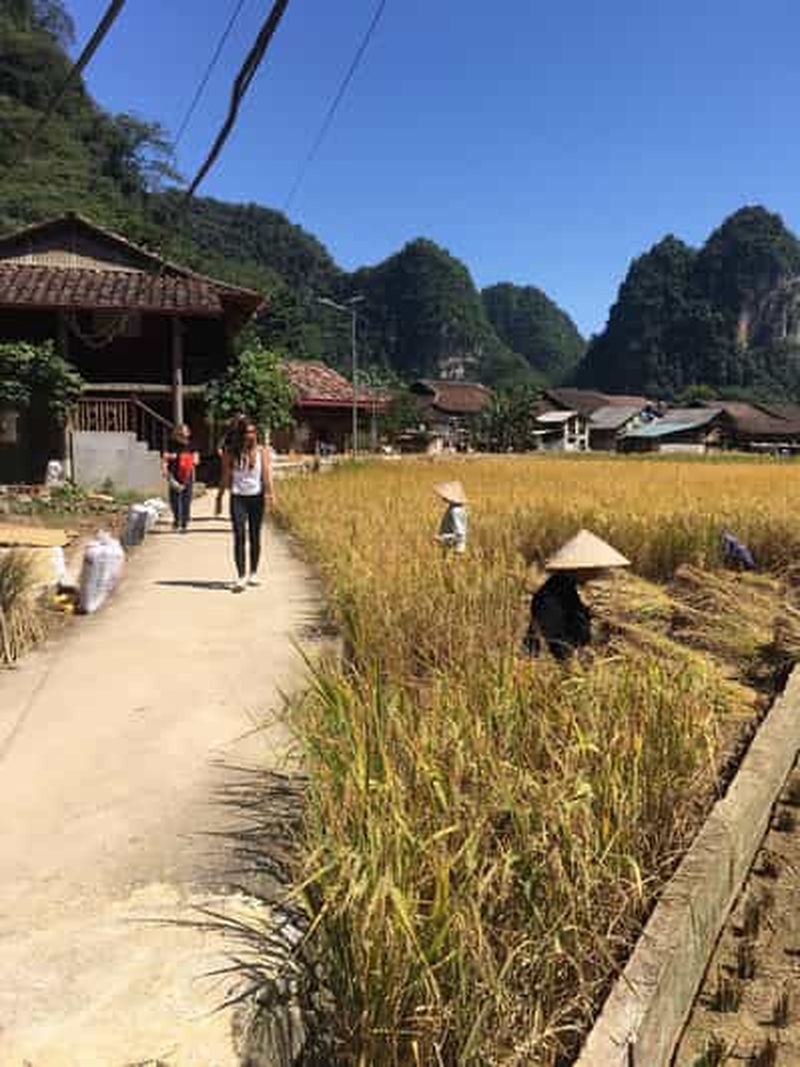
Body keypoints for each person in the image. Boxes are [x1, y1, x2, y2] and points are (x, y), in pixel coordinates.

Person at [523, 529, 630, 660]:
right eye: (593, 569)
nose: (596, 574)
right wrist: (578, 661)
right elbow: (556, 642)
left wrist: (591, 615)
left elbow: (574, 618)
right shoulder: (549, 598)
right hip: (548, 666)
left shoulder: (566, 589)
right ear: (578, 568)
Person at [218, 418, 276, 592]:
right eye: (247, 432)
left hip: (256, 498)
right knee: (239, 535)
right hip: (238, 497)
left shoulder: (262, 451)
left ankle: (253, 572)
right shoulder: (230, 453)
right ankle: (241, 576)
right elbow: (225, 476)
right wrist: (219, 498)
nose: (251, 435)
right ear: (240, 434)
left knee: (255, 536)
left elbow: (266, 474)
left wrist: (271, 494)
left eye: (253, 432)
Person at [162, 423, 198, 533]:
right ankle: (177, 520)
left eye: (185, 432)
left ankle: (184, 522)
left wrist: (191, 460)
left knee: (186, 498)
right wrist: (164, 469)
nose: (183, 435)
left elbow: (196, 458)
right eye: (181, 433)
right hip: (174, 473)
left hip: (187, 474)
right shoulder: (170, 444)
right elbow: (164, 457)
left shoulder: (191, 444)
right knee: (174, 499)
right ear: (176, 434)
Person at [433, 481, 468, 554]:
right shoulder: (460, 509)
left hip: (455, 550)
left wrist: (441, 538)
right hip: (454, 547)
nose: (443, 497)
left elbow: (459, 534)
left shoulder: (455, 511)